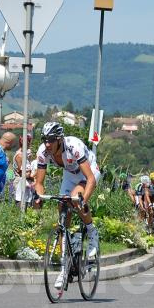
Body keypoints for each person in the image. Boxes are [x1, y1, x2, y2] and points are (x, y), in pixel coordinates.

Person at [33, 122, 101, 289]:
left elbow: (91, 179)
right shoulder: (43, 152)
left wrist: (83, 201)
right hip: (70, 175)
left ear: (60, 140)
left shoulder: (74, 146)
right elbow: (39, 182)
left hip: (88, 171)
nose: (47, 144)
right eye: (45, 140)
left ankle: (92, 232)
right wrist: (39, 197)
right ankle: (65, 268)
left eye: (51, 140)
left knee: (74, 198)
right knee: (63, 211)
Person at [12, 134, 35, 206]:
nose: (30, 144)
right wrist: (35, 175)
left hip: (27, 181)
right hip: (20, 182)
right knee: (21, 205)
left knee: (28, 205)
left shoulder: (26, 154)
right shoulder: (20, 155)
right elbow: (25, 174)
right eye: (29, 142)